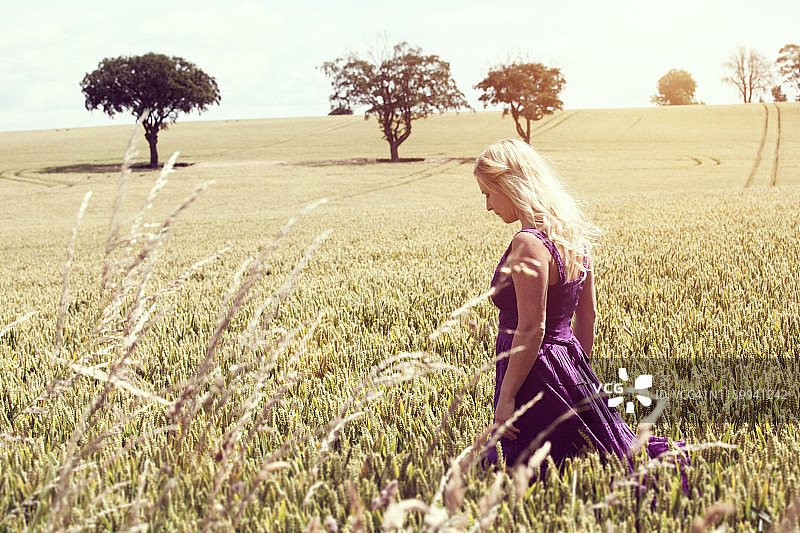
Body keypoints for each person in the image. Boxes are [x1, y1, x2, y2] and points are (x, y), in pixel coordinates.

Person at [474, 139, 687, 486]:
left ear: (510, 185)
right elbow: (587, 315)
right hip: (567, 364)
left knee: (533, 473)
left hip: (532, 374)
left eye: (488, 193)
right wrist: (574, 374)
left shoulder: (528, 243)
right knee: (583, 458)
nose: (487, 206)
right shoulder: (571, 234)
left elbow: (531, 328)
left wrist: (508, 395)